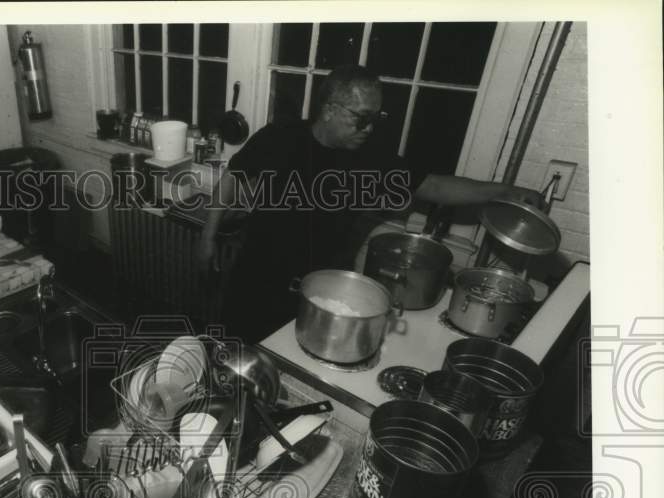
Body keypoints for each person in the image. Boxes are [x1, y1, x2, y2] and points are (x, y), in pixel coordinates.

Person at [195, 64, 544, 341]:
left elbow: (434, 185)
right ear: (329, 110)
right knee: (234, 359)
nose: (369, 128)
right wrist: (208, 238)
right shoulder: (279, 137)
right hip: (254, 282)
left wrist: (502, 192)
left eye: (375, 119)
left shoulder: (371, 158)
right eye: (361, 117)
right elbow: (233, 176)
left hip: (319, 298)